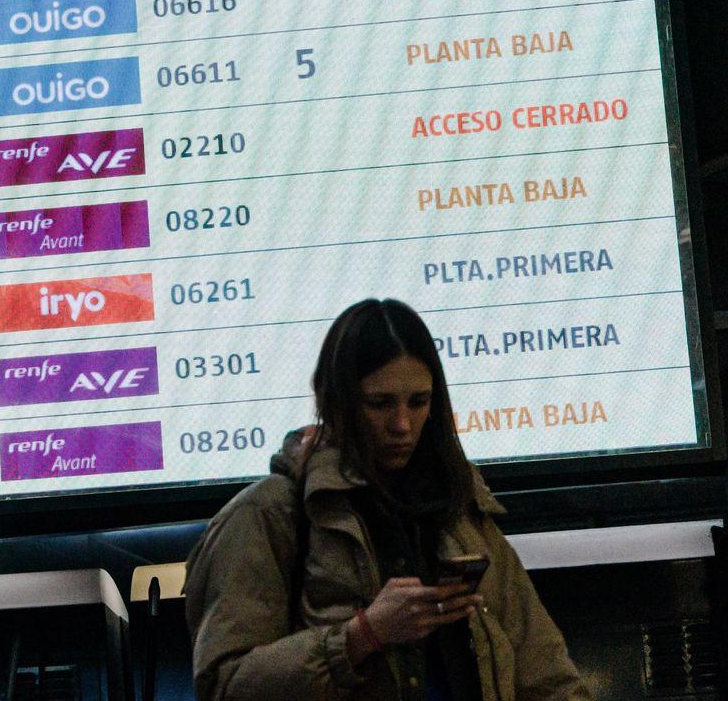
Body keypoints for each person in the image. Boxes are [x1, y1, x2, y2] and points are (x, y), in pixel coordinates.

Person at [183, 298, 590, 700]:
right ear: (335, 401)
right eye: (379, 404)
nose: (402, 425)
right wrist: (363, 635)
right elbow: (224, 686)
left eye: (419, 402)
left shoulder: (458, 510)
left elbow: (545, 673)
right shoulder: (269, 514)